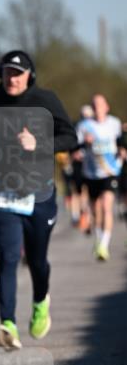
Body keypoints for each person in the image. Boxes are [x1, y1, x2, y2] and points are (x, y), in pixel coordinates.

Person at [0, 50, 77, 350]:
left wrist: (39, 143)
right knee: (9, 258)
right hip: (4, 194)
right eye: (7, 72)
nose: (12, 78)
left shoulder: (46, 100)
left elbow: (71, 137)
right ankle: (8, 325)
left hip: (40, 195)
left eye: (18, 73)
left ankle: (41, 301)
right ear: (0, 74)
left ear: (30, 75)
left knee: (37, 261)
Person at [76, 94, 123, 261]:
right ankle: (98, 237)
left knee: (106, 205)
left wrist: (123, 151)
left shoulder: (114, 124)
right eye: (94, 105)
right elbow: (77, 148)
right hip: (91, 172)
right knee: (96, 209)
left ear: (106, 107)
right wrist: (83, 147)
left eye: (100, 105)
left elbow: (121, 141)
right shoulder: (84, 126)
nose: (97, 108)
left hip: (110, 171)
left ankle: (104, 244)